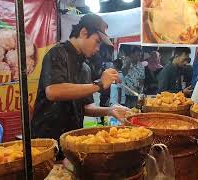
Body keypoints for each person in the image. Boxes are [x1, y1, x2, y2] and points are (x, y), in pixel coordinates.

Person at [31, 14, 129, 160]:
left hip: (72, 142)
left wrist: (110, 110)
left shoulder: (85, 68)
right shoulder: (58, 53)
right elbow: (53, 91)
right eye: (96, 42)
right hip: (46, 142)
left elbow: (86, 107)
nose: (97, 49)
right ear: (84, 32)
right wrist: (99, 84)